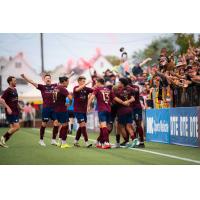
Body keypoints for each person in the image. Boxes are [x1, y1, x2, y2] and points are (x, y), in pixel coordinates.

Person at [87, 78, 129, 149]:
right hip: (108, 110)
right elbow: (115, 99)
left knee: (103, 126)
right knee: (102, 126)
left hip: (102, 110)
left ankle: (106, 142)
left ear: (99, 82)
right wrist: (123, 102)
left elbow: (91, 97)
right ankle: (100, 143)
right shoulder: (109, 90)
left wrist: (88, 106)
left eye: (96, 82)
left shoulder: (97, 89)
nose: (95, 84)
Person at [21, 74, 59, 146]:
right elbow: (32, 82)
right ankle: (41, 140)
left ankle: (53, 140)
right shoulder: (42, 87)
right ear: (44, 80)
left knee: (56, 123)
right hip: (46, 108)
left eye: (49, 78)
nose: (48, 79)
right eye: (46, 78)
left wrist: (70, 75)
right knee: (44, 124)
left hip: (53, 108)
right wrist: (24, 77)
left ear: (51, 79)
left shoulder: (54, 85)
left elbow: (62, 82)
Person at [114, 78, 139, 148]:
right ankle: (134, 139)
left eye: (119, 82)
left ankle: (127, 141)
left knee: (121, 126)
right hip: (130, 110)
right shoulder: (131, 89)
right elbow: (133, 99)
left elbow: (115, 100)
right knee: (128, 126)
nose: (118, 84)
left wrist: (123, 103)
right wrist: (127, 102)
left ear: (122, 83)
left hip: (121, 110)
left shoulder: (118, 91)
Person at [0, 76, 21, 148]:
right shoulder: (7, 90)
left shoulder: (15, 89)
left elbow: (16, 100)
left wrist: (19, 106)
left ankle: (2, 143)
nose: (16, 82)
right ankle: (2, 137)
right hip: (11, 112)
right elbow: (1, 100)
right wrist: (8, 107)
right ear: (10, 82)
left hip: (16, 111)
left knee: (12, 129)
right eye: (14, 81)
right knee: (17, 127)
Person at [73, 76, 93, 147]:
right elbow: (77, 90)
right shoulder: (75, 88)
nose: (84, 82)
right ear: (79, 82)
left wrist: (96, 85)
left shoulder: (86, 89)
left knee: (82, 126)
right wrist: (86, 83)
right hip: (78, 110)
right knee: (83, 125)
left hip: (84, 111)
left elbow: (94, 91)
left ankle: (75, 141)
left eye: (85, 81)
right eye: (83, 81)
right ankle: (86, 142)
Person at [53, 76, 72, 148]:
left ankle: (59, 141)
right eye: (67, 82)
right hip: (62, 109)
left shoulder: (56, 88)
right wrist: (69, 102)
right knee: (65, 125)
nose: (68, 83)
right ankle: (63, 143)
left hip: (56, 109)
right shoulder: (62, 88)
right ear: (64, 81)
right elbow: (70, 98)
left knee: (63, 125)